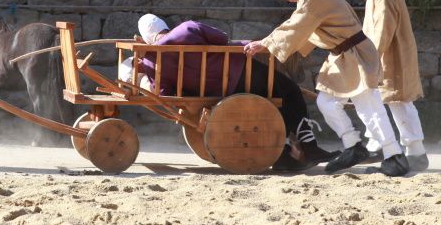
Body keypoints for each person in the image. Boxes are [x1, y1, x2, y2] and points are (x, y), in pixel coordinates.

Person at [243, 0, 410, 177]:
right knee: (327, 103)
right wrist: (273, 45)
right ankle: (353, 146)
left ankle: (394, 156)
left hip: (356, 55)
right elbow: (302, 28)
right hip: (343, 57)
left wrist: (265, 43)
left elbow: (297, 26)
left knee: (369, 107)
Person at [128, 14, 336, 170]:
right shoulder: (187, 28)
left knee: (265, 104)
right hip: (240, 74)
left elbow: (164, 91)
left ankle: (283, 154)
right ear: (164, 26)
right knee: (288, 91)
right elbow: (222, 39)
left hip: (211, 92)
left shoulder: (151, 60)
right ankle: (308, 145)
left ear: (146, 39)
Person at [356, 0, 429, 172]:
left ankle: (414, 152)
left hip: (391, 56)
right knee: (393, 101)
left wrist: (372, 56)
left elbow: (383, 29)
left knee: (399, 101)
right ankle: (386, 147)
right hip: (390, 55)